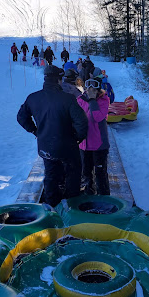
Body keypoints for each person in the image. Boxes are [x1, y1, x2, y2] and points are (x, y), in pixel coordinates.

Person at [17, 66, 88, 207]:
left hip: (46, 146)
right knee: (73, 175)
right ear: (59, 80)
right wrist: (78, 138)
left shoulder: (33, 98)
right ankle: (72, 207)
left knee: (51, 176)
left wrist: (35, 131)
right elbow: (82, 122)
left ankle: (51, 207)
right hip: (67, 146)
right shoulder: (68, 99)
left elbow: (21, 117)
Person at [77, 76, 110, 195]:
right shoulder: (80, 99)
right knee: (86, 173)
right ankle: (88, 195)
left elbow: (97, 117)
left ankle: (105, 198)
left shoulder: (104, 100)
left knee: (100, 173)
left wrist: (92, 101)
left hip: (99, 144)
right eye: (88, 87)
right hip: (84, 144)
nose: (90, 90)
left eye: (94, 88)